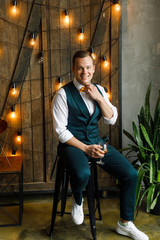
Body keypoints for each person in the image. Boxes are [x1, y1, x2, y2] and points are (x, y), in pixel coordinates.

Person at [52, 50, 149, 240]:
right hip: (73, 146)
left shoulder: (100, 90)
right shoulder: (62, 94)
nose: (84, 72)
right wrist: (85, 148)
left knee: (131, 174)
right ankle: (78, 198)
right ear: (73, 69)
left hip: (97, 144)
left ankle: (125, 223)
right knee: (82, 173)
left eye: (88, 67)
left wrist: (98, 97)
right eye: (80, 68)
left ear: (94, 69)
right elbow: (60, 131)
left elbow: (111, 119)